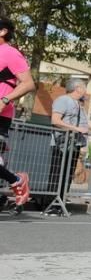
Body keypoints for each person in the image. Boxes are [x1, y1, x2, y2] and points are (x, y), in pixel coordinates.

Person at [47, 80, 91, 211]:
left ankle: (61, 201)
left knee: (68, 174)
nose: (85, 91)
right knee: (58, 173)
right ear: (77, 88)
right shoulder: (63, 100)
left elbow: (87, 122)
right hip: (62, 143)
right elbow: (55, 120)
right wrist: (75, 129)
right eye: (84, 88)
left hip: (74, 144)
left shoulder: (79, 105)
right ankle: (52, 204)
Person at [0, 17, 35, 206]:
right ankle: (16, 180)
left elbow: (29, 83)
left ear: (2, 31)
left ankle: (16, 180)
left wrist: (5, 100)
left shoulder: (10, 53)